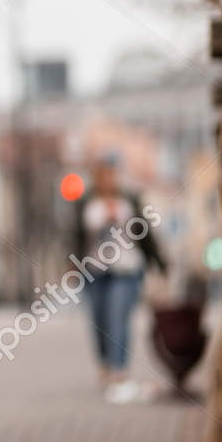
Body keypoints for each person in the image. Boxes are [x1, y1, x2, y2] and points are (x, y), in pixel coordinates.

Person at [69, 153, 168, 404]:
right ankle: (105, 363)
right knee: (100, 322)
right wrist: (71, 265)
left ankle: (119, 369)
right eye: (104, 174)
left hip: (126, 269)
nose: (108, 179)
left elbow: (145, 235)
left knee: (118, 317)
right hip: (94, 270)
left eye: (113, 174)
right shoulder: (86, 202)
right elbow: (74, 237)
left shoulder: (130, 200)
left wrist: (160, 262)